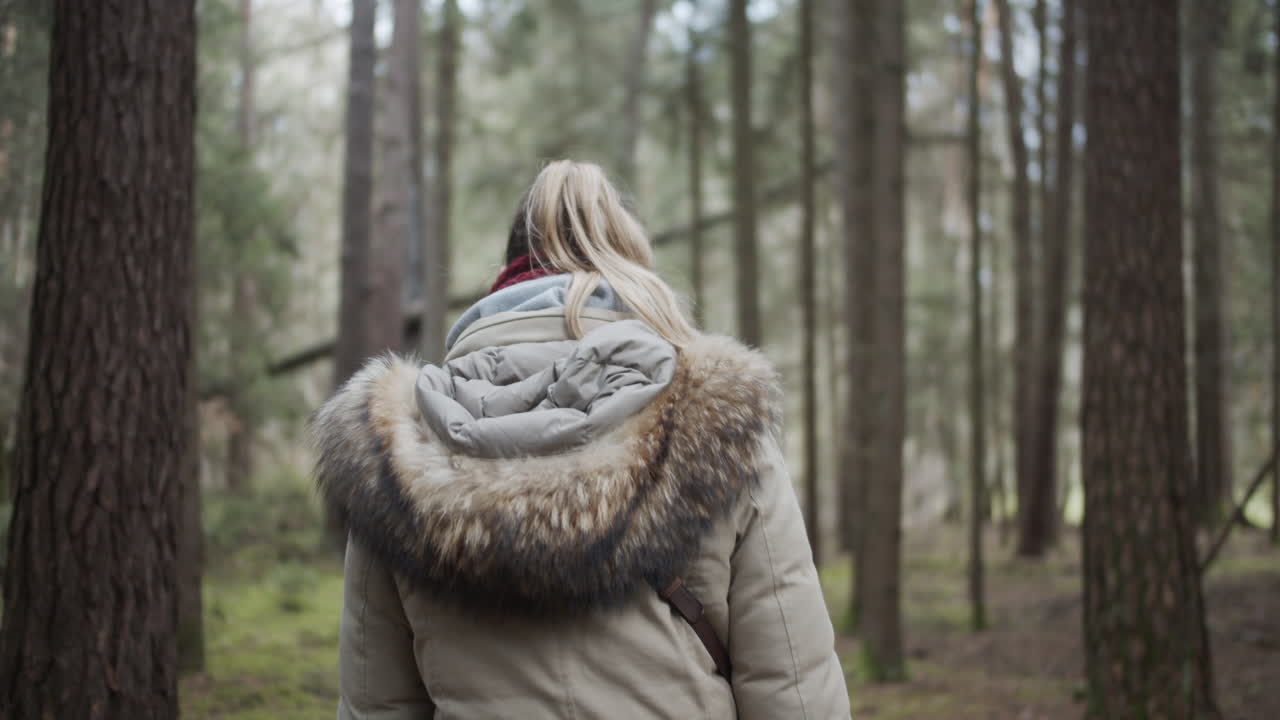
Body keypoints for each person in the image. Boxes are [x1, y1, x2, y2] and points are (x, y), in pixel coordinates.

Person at [310, 160, 851, 719]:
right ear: (629, 262)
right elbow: (795, 688)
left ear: (508, 272)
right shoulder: (720, 420)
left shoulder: (396, 450)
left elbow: (378, 705)